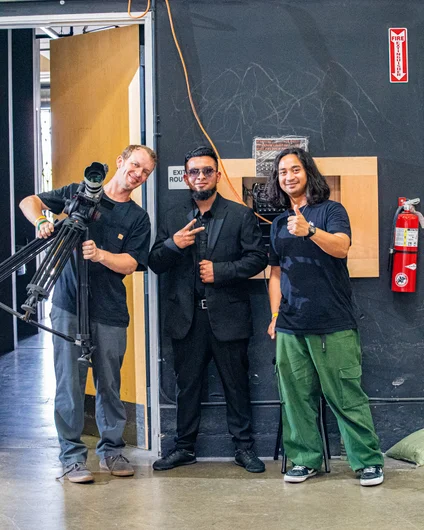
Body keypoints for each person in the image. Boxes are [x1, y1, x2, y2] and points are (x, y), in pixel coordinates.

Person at [19, 145, 156, 483]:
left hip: (109, 310)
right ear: (120, 161)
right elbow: (28, 201)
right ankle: (72, 457)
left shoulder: (137, 218)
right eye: (135, 166)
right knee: (69, 382)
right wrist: (42, 220)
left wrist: (101, 256)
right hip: (67, 304)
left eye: (145, 173)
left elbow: (132, 263)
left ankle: (111, 451)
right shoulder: (75, 195)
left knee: (109, 383)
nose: (137, 175)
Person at [266, 147, 384, 487]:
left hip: (333, 323)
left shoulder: (331, 211)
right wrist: (275, 315)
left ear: (308, 173)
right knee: (296, 398)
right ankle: (304, 460)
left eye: (295, 169)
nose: (288, 176)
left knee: (346, 396)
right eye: (282, 172)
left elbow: (342, 247)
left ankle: (367, 462)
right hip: (290, 325)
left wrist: (310, 231)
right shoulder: (277, 224)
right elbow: (275, 273)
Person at [149, 146, 268, 473]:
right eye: (194, 172)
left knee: (237, 385)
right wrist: (174, 244)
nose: (200, 176)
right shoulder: (174, 216)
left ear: (217, 174)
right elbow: (155, 263)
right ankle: (184, 447)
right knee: (187, 387)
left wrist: (223, 271)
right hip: (186, 320)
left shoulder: (240, 214)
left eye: (206, 170)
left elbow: (259, 258)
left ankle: (244, 449)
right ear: (186, 178)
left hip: (229, 316)